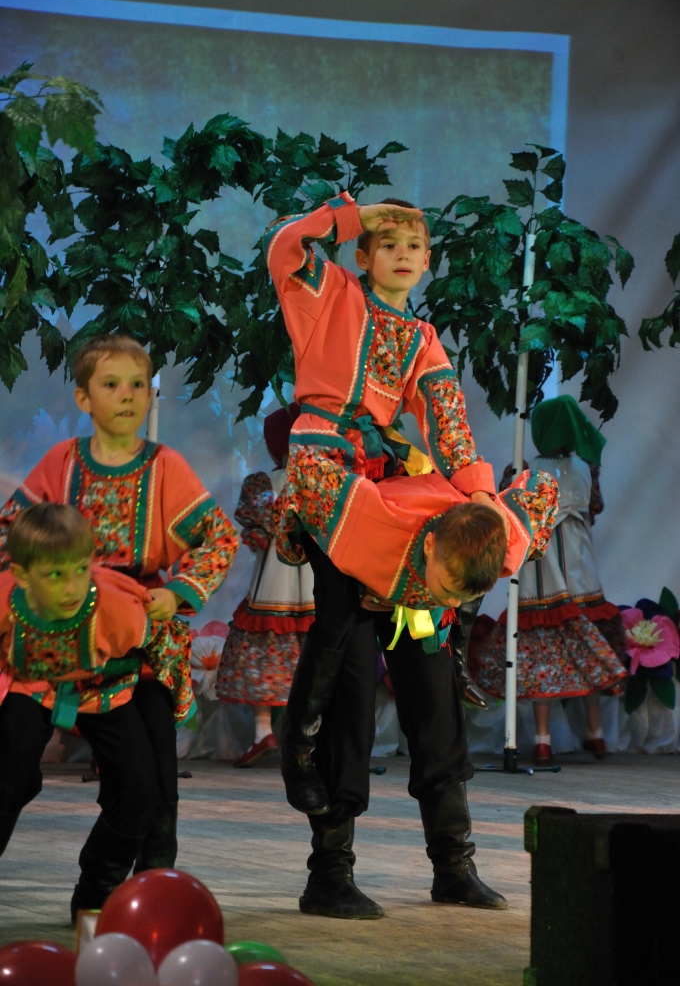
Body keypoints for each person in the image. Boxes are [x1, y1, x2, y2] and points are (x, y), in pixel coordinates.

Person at [266, 192, 557, 916]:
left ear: (427, 263)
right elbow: (286, 250)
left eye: (415, 246)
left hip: (396, 495)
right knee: (350, 682)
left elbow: (451, 429)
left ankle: (453, 864)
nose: (402, 253)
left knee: (430, 680)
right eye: (387, 242)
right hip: (338, 492)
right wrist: (353, 215)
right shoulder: (328, 295)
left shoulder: (424, 337)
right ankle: (329, 872)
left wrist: (482, 500)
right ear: (364, 254)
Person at [0, 334, 239, 885]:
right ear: (84, 398)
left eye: (138, 385)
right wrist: (29, 591)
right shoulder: (61, 463)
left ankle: (125, 890)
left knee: (150, 781)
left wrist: (178, 593)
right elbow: (11, 532)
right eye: (111, 384)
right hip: (55, 640)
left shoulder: (165, 466)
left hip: (135, 641)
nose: (128, 395)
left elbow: (219, 538)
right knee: (10, 765)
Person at [0, 504, 189, 919]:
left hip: (105, 692)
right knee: (6, 775)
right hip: (31, 688)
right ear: (22, 574)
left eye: (80, 570)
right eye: (55, 575)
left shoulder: (119, 605)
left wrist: (171, 707)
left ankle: (95, 895)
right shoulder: (4, 600)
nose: (72, 586)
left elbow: (165, 647)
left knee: (139, 791)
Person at [472, 395, 625, 766]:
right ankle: (595, 732)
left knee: (540, 652)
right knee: (586, 649)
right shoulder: (586, 468)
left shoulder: (523, 471)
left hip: (540, 576)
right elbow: (595, 508)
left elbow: (506, 510)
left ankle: (542, 739)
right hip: (579, 570)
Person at [216, 405, 315, 766]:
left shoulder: (262, 487)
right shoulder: (324, 484)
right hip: (314, 589)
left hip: (271, 588)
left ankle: (263, 732)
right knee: (315, 659)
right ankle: (308, 738)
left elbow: (255, 532)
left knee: (262, 653)